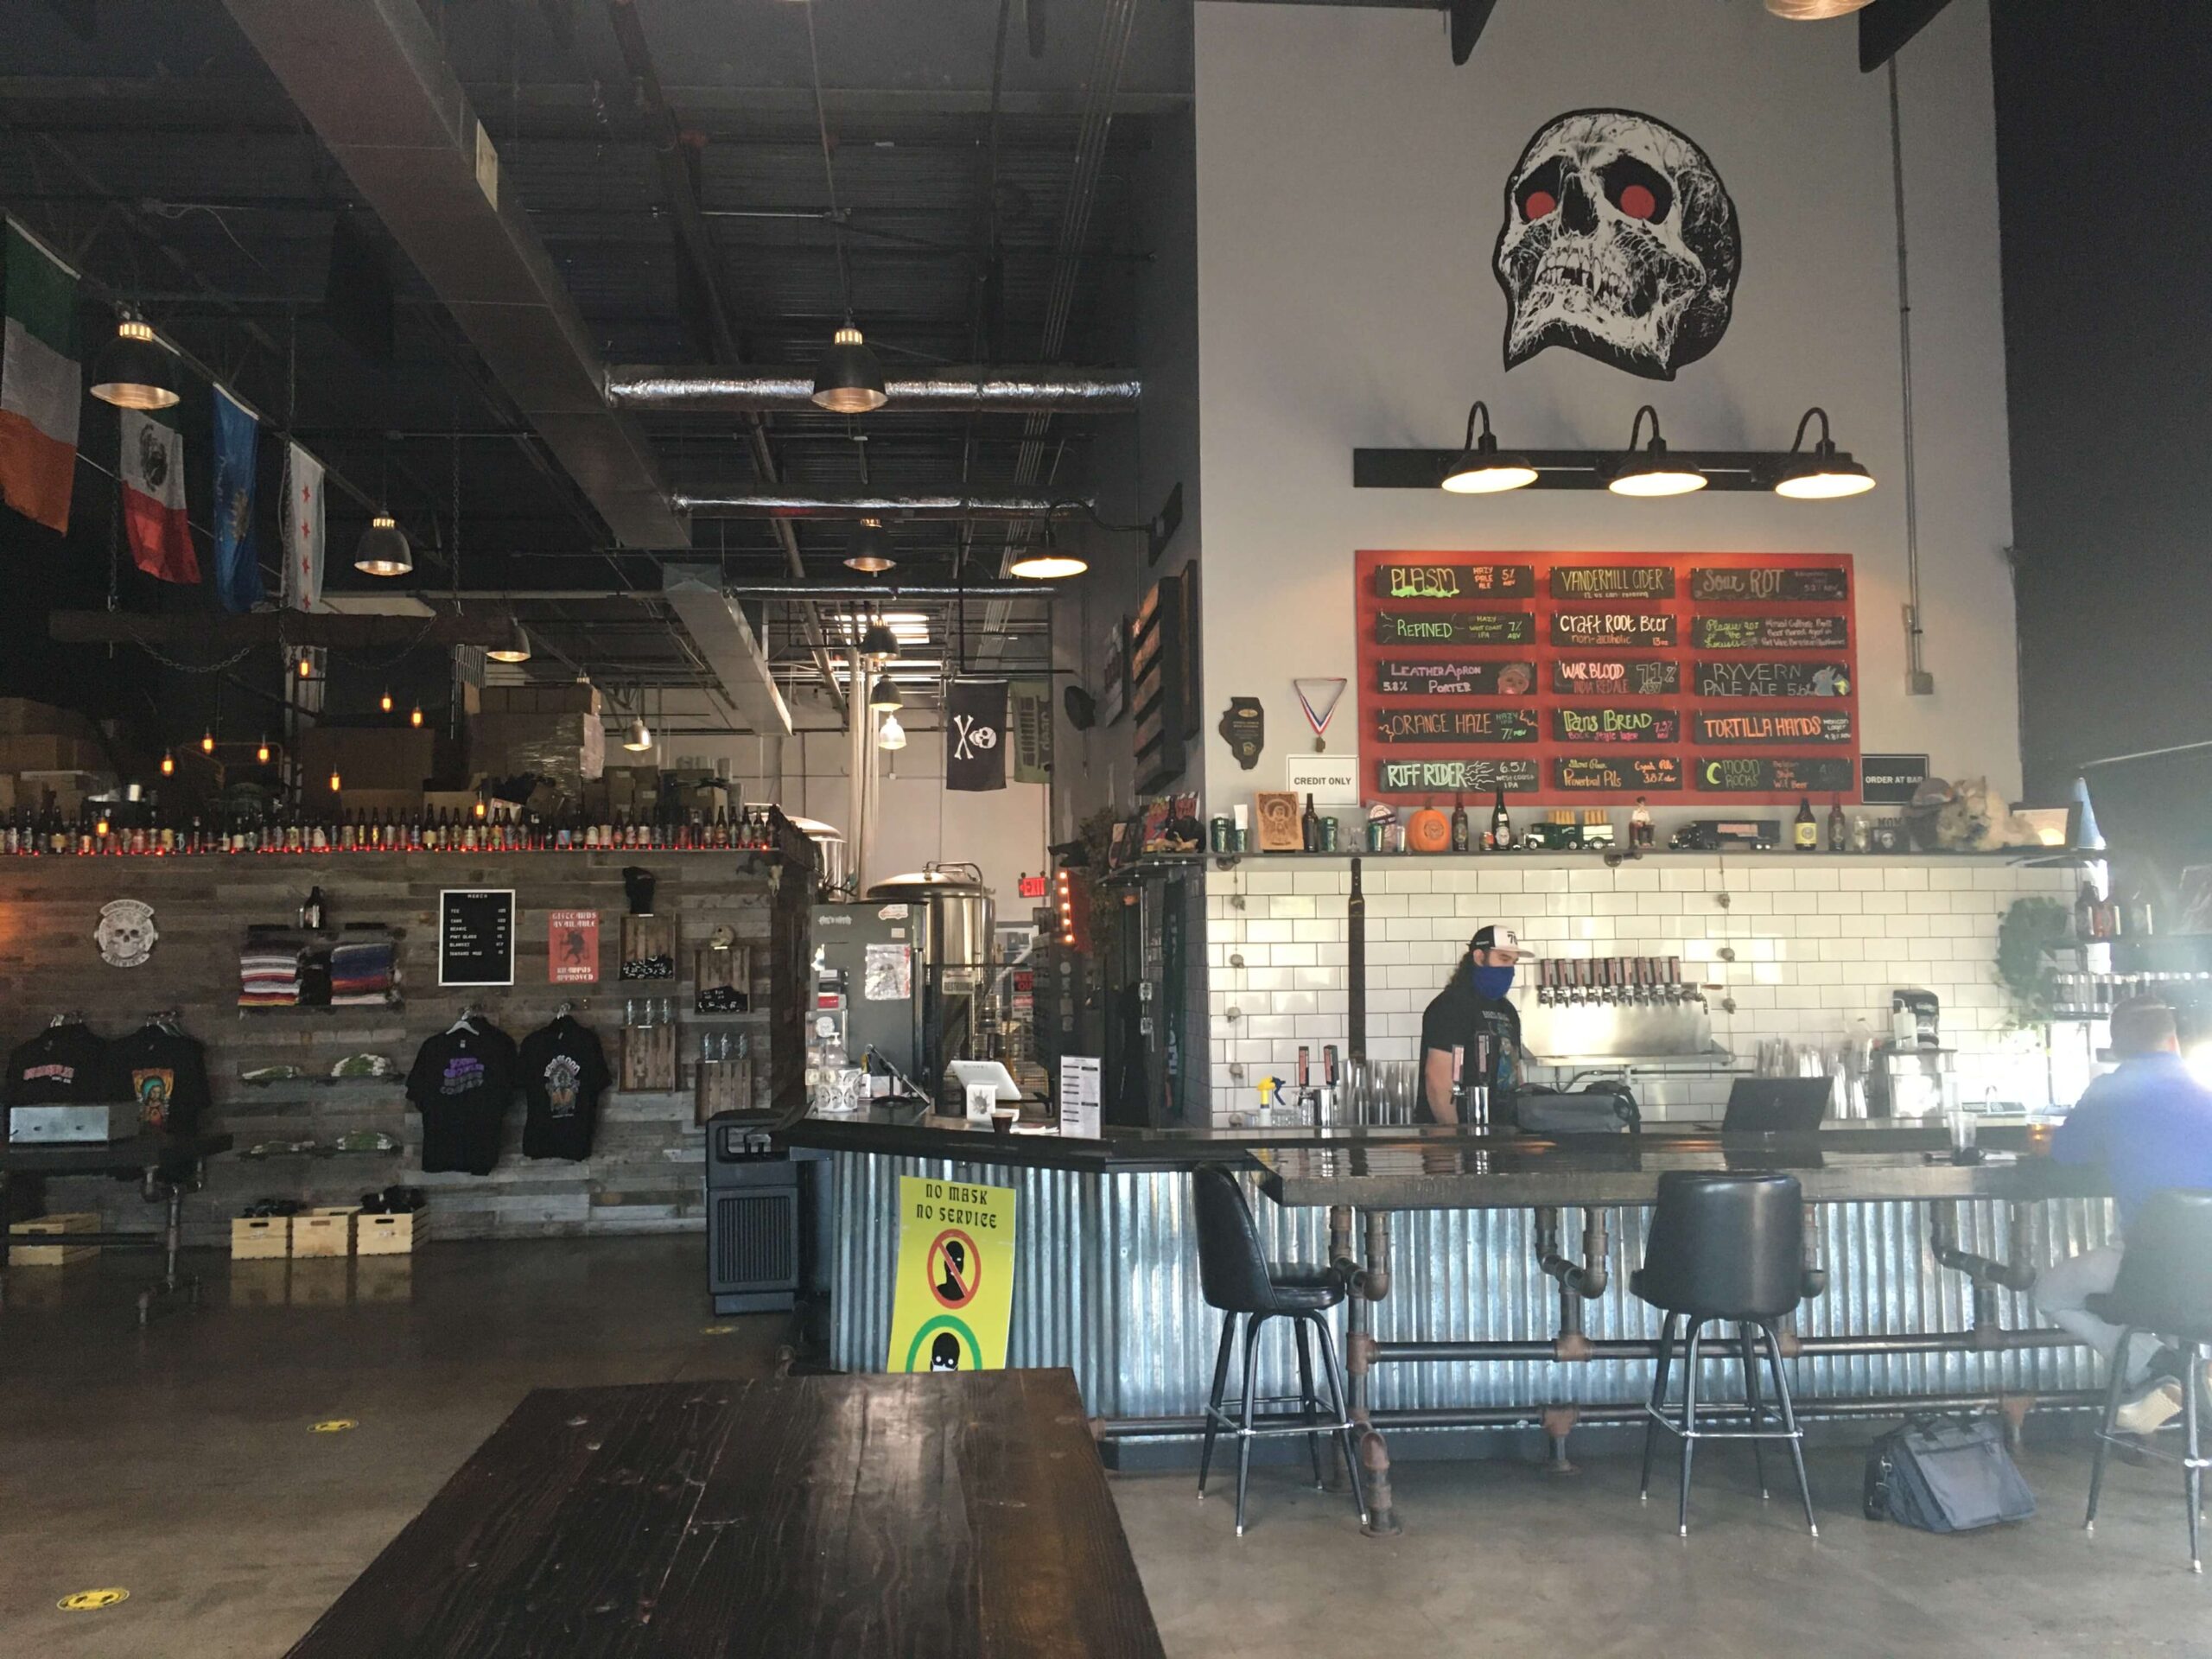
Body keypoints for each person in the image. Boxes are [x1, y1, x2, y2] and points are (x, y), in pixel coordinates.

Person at [2039, 996, 2212, 1433]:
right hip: (2207, 1277)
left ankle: (2160, 1366)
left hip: (2144, 1269)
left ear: (2116, 1048)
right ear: (2174, 1041)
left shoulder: (2109, 1092)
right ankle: (2188, 1378)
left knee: (2049, 1295)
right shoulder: (2206, 1090)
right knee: (2182, 1313)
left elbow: (2065, 1154)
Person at [1420, 925, 1524, 1124]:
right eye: (1503, 959)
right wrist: (1453, 1136)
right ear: (1479, 957)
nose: (1510, 969)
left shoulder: (1508, 1010)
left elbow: (1515, 1070)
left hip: (1505, 1131)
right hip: (1463, 1131)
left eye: (1513, 962)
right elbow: (1437, 1080)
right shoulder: (1450, 1006)